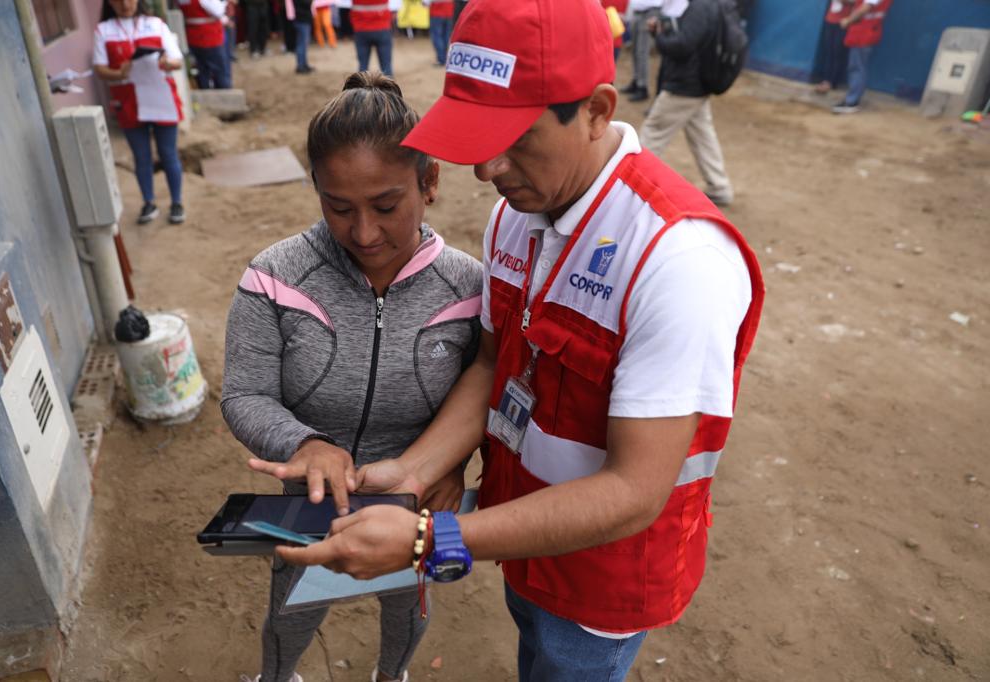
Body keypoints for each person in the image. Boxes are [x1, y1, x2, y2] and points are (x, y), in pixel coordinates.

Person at [260, 1, 764, 680]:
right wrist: (414, 473)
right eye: (475, 137)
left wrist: (429, 537)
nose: (486, 169)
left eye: (514, 139)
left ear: (595, 108)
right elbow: (496, 364)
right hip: (522, 542)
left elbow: (636, 489)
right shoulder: (515, 218)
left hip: (600, 585)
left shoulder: (677, 258)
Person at [222, 72, 483, 682]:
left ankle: (391, 676)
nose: (364, 234)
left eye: (387, 206)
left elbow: (486, 390)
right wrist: (303, 444)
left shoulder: (471, 289)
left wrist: (449, 464)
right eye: (339, 208)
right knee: (290, 613)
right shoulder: (274, 279)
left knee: (409, 609)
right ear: (316, 189)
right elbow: (245, 393)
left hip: (416, 503)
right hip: (312, 504)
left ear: (431, 182)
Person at [93, 0, 186, 225]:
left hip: (161, 98)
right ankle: (149, 202)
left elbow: (177, 60)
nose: (125, 4)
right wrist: (119, 73)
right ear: (109, 3)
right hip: (129, 103)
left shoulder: (155, 24)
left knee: (168, 154)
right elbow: (100, 69)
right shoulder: (104, 30)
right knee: (141, 157)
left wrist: (167, 64)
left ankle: (177, 202)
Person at [638, 0, 735, 206]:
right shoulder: (711, 5)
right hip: (698, 85)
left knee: (653, 131)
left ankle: (631, 183)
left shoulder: (699, 7)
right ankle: (720, 187)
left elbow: (682, 46)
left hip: (685, 86)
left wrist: (659, 36)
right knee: (703, 136)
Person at [832, 0, 892, 114]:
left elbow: (865, 8)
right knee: (857, 66)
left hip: (864, 33)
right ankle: (852, 99)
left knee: (857, 67)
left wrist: (848, 21)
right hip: (866, 31)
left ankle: (851, 102)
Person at [177, 0, 232, 88]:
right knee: (219, 70)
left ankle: (204, 88)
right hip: (210, 36)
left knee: (202, 69)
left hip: (192, 36)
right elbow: (218, 11)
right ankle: (224, 92)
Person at [620, 0, 661, 102]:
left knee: (642, 52)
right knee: (635, 50)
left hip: (650, 12)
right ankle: (636, 80)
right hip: (637, 12)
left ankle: (642, 87)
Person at [815, 0, 852, 94]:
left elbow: (858, 2)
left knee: (837, 52)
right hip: (830, 19)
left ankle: (832, 82)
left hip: (844, 21)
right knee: (829, 51)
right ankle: (826, 80)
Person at [350, 0, 393, 76]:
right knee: (386, 67)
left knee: (363, 67)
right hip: (382, 28)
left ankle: (361, 86)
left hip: (361, 30)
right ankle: (388, 86)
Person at [288, 0, 314, 73]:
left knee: (303, 44)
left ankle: (304, 64)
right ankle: (300, 66)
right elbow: (307, 3)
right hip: (302, 20)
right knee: (302, 44)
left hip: (302, 19)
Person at [425, 0, 453, 66]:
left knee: (437, 36)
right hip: (449, 12)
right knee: (446, 37)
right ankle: (445, 57)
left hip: (437, 13)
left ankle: (441, 59)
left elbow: (425, 2)